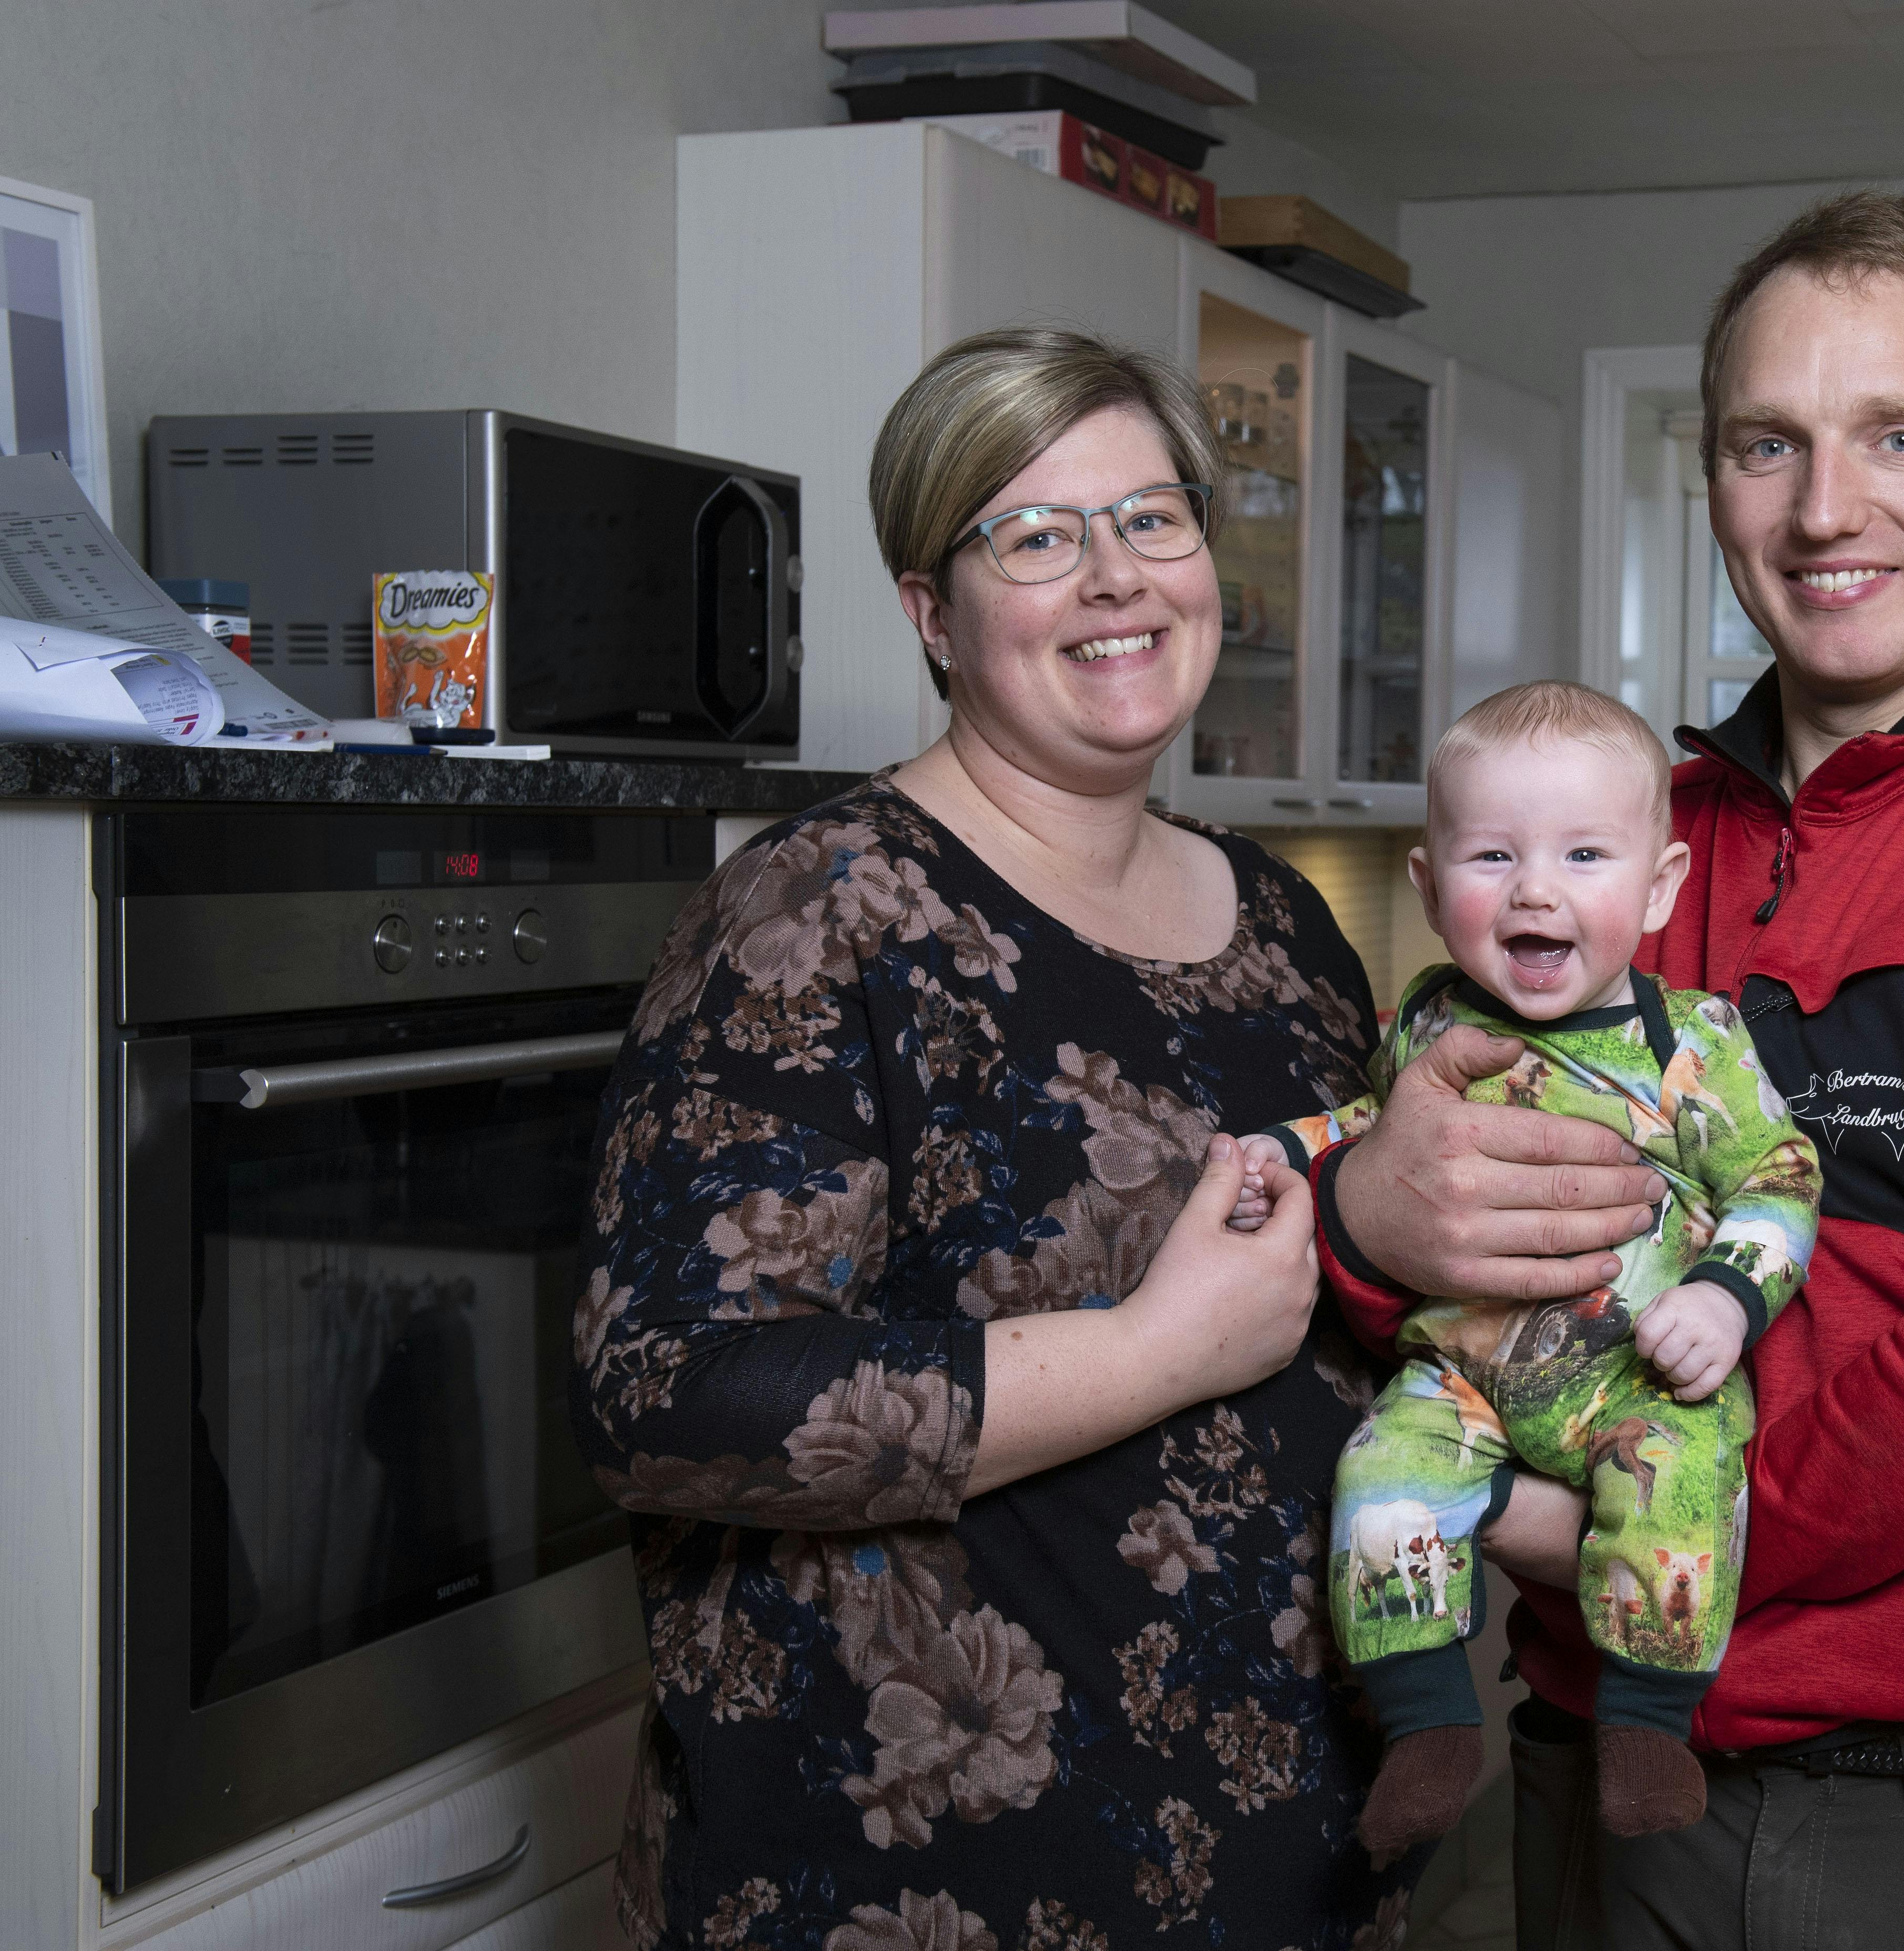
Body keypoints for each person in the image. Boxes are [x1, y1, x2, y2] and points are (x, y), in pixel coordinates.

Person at [1304, 193, 1904, 1948]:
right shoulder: (1604, 849)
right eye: (1767, 443)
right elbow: (1432, 1231)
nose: (1823, 507)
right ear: (1711, 482)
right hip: (1598, 1769)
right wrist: (1358, 1212)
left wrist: (1598, 1520)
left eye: (1895, 435)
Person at [570, 326, 1414, 1950]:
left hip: (1295, 1864)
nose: (1113, 578)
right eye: (1035, 537)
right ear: (928, 611)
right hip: (923, 1892)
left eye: (1151, 520)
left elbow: (1353, 1324)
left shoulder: (1292, 927)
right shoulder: (816, 914)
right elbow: (669, 1394)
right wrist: (1159, 1349)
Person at [1231, 682, 1819, 1862]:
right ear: (1427, 883)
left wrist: (1727, 1292)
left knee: (1687, 1484)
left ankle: (1650, 1725)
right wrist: (1286, 1151)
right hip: (1465, 1375)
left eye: (1584, 854)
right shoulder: (1428, 1024)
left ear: (1660, 887)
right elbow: (1368, 1129)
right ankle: (1427, 1724)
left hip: (1636, 1381)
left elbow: (1783, 1174)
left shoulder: (1689, 1044)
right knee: (1381, 1480)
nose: (1536, 889)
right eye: (1493, 854)